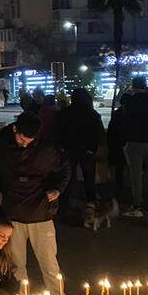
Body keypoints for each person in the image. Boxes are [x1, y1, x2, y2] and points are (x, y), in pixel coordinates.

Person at [0, 113, 71, 295]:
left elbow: (65, 169)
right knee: (17, 265)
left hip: (41, 214)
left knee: (49, 264)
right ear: (14, 130)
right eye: (21, 139)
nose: (25, 144)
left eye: (30, 141)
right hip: (13, 215)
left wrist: (57, 189)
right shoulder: (2, 147)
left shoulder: (47, 150)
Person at [57, 88, 104, 222]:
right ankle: (91, 204)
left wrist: (62, 146)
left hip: (69, 150)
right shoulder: (92, 114)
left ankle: (64, 205)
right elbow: (99, 133)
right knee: (89, 179)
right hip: (87, 151)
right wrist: (95, 147)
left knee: (68, 178)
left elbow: (58, 132)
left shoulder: (64, 113)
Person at [123, 76, 148, 217]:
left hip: (135, 141)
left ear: (133, 86)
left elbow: (126, 121)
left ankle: (137, 205)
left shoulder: (130, 101)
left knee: (136, 175)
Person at [107, 93, 131, 203]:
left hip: (118, 144)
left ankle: (120, 188)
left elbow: (111, 131)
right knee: (129, 169)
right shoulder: (133, 113)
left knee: (119, 169)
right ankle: (129, 189)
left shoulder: (117, 114)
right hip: (128, 144)